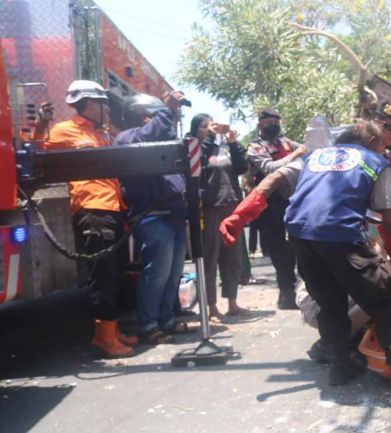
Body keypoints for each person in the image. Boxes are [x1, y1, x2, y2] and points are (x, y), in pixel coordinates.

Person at [223, 118, 391, 407]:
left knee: (330, 302)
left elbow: (274, 178)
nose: (385, 149)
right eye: (382, 143)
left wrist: (240, 215)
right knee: (387, 299)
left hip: (301, 236)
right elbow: (388, 215)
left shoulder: (315, 156)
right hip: (340, 235)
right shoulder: (372, 160)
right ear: (371, 142)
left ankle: (341, 365)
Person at [35, 80, 136, 358]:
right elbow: (38, 152)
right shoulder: (65, 130)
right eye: (104, 104)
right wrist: (42, 125)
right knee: (101, 275)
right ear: (91, 104)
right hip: (91, 211)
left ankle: (111, 332)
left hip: (111, 208)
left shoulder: (100, 133)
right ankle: (104, 338)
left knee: (113, 274)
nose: (107, 109)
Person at [115, 92, 190, 345]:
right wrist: (166, 111)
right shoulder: (127, 138)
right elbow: (149, 136)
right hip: (151, 215)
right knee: (156, 272)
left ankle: (166, 318)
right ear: (139, 116)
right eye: (153, 116)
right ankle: (148, 324)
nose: (158, 121)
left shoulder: (163, 139)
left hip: (174, 216)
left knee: (174, 272)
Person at [187, 114, 250, 318]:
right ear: (197, 130)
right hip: (210, 208)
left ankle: (232, 302)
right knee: (211, 258)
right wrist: (210, 139)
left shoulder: (225, 148)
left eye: (213, 126)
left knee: (233, 258)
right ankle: (211, 307)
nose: (212, 129)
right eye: (206, 127)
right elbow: (197, 166)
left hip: (232, 207)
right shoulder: (197, 147)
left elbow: (242, 167)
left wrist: (233, 143)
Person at [247, 108, 306, 309]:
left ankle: (302, 293)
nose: (273, 124)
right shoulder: (255, 147)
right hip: (272, 206)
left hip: (295, 203)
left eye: (275, 121)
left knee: (300, 249)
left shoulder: (287, 143)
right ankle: (286, 295)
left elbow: (308, 150)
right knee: (280, 252)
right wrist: (296, 155)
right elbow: (270, 168)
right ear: (260, 124)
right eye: (268, 121)